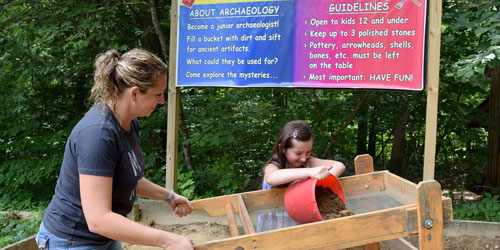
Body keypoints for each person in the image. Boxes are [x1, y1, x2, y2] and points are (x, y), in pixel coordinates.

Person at [35, 48, 195, 250]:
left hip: (104, 237)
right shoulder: (98, 135)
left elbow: (127, 176)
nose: (162, 100)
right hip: (73, 240)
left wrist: (169, 196)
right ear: (135, 93)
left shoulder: (129, 122)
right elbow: (98, 219)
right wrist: (171, 240)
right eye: (158, 94)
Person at [256, 120, 345, 232]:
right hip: (273, 229)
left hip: (300, 227)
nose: (303, 158)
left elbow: (339, 166)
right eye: (298, 153)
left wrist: (317, 183)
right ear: (282, 148)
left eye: (308, 152)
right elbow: (271, 178)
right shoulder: (273, 166)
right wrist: (309, 172)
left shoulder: (308, 162)